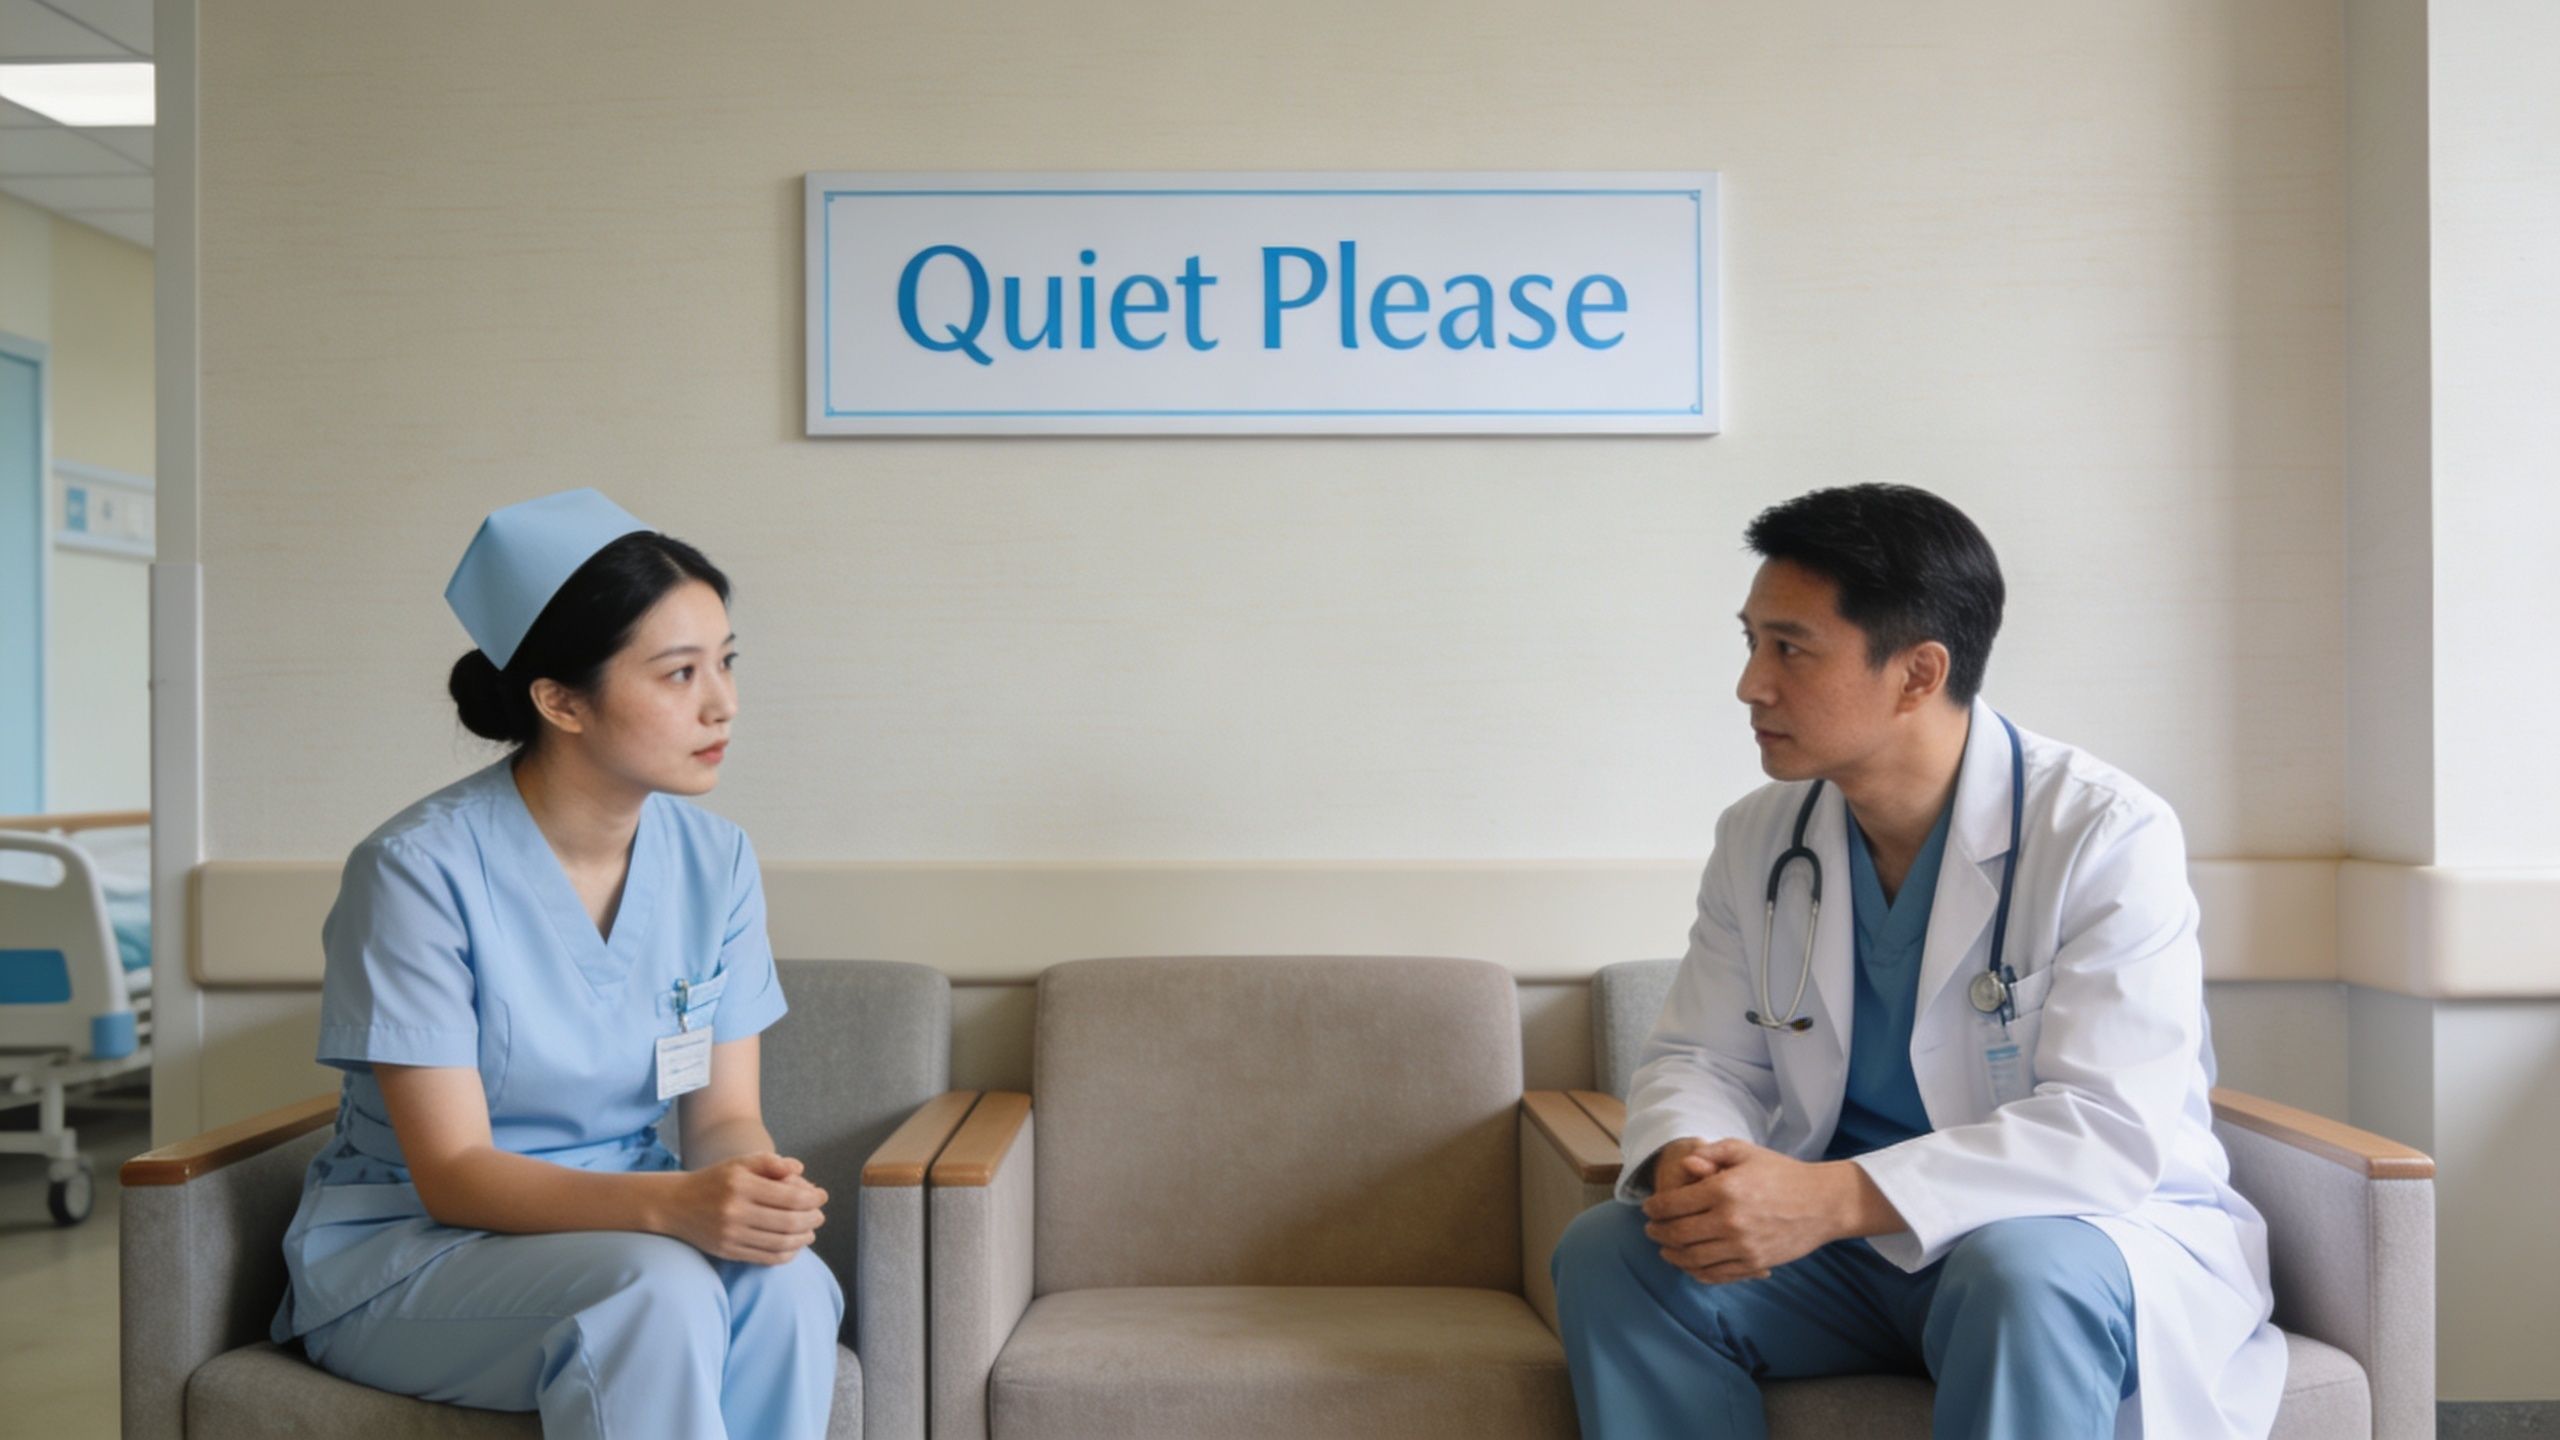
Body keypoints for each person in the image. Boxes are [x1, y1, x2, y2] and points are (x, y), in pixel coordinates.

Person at [1551, 484, 2284, 1439]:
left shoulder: (2103, 832)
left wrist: (1831, 1197)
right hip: (1843, 1257)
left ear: (1917, 673)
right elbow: (1703, 1058)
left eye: (1790, 649)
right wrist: (1694, 1163)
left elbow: (2105, 1131)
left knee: (2020, 1276)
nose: (1750, 685)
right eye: (1751, 643)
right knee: (1616, 1251)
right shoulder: (1762, 836)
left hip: (2064, 1234)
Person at [269, 488, 841, 1438]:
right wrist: (677, 1209)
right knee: (650, 1293)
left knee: (789, 1287)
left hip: (635, 1221)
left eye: (727, 663)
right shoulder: (416, 871)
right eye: (677, 674)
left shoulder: (717, 861)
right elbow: (453, 1171)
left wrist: (746, 1191)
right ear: (560, 700)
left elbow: (725, 1115)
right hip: (420, 1247)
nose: (722, 703)